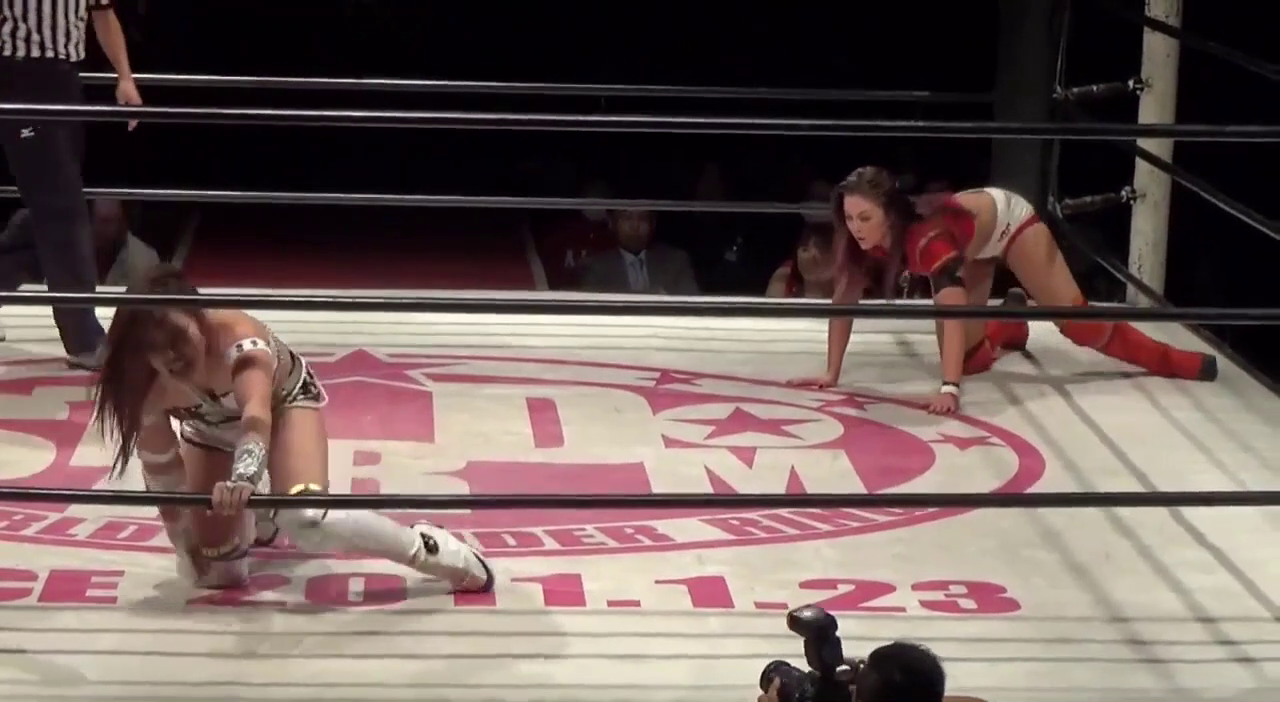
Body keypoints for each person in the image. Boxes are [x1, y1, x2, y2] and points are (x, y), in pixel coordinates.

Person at [91, 264, 494, 592]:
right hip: (208, 430)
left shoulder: (239, 338)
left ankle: (429, 547)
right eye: (153, 348)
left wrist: (244, 477)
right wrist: (184, 542)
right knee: (214, 573)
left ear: (198, 318)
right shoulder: (145, 384)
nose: (170, 356)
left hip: (281, 406)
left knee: (307, 519)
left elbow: (256, 413)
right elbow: (163, 471)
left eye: (176, 338)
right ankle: (262, 516)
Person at [789, 166, 1217, 414]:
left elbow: (950, 307)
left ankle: (1173, 359)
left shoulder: (925, 239)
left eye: (864, 218)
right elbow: (844, 298)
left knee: (1079, 326)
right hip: (970, 244)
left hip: (1008, 224)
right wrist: (831, 372)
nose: (855, 227)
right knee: (969, 359)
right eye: (849, 217)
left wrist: (949, 388)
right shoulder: (861, 240)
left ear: (889, 213)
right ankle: (1011, 320)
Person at [0, 0, 143, 369]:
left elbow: (103, 11)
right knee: (63, 212)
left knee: (51, 212)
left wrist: (124, 77)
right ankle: (84, 340)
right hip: (19, 76)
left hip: (65, 81)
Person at [578, 208, 700, 294]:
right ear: (612, 223)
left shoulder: (676, 260)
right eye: (627, 217)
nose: (635, 225)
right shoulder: (596, 267)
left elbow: (691, 306)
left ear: (653, 223)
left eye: (642, 218)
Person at [766, 223, 836, 299]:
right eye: (805, 246)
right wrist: (810, 279)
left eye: (825, 244)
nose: (815, 253)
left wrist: (814, 282)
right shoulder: (784, 276)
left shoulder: (844, 273)